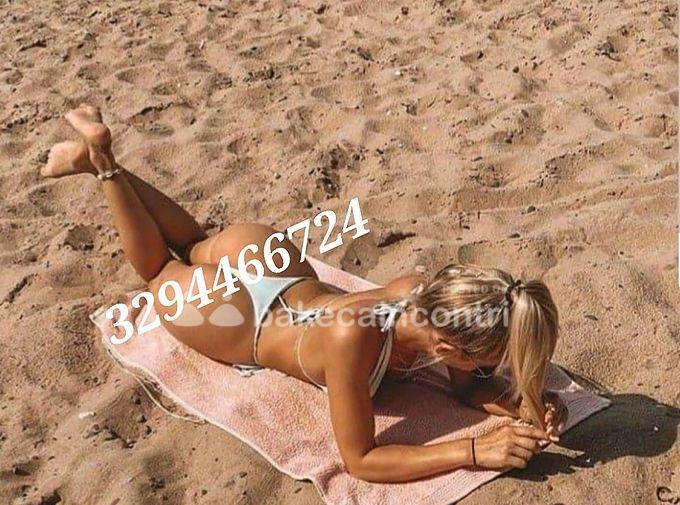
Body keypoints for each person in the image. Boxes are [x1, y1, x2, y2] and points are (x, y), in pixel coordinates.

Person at [42, 106, 566, 483]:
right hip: (241, 317)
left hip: (271, 258)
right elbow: (361, 460)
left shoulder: (426, 299)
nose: (492, 370)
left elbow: (469, 389)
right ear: (450, 348)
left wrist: (523, 404)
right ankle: (104, 163)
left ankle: (99, 159)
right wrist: (472, 451)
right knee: (159, 270)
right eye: (490, 361)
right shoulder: (354, 340)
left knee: (195, 242)